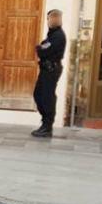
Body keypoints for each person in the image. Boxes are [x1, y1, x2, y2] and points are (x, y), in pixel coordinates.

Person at [31, 9, 66, 138]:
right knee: (38, 95)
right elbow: (43, 47)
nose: (54, 20)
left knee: (47, 97)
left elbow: (43, 51)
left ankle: (47, 126)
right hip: (46, 69)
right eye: (51, 18)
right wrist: (42, 47)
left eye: (56, 17)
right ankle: (45, 123)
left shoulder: (58, 35)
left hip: (51, 69)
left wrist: (40, 48)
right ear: (48, 19)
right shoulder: (52, 34)